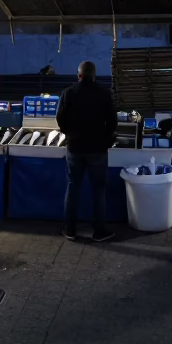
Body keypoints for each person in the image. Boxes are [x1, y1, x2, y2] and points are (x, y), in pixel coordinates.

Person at [55, 61, 117, 242]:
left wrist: (70, 135)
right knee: (98, 190)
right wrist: (105, 140)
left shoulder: (68, 93)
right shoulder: (104, 94)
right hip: (97, 149)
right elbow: (112, 122)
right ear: (94, 75)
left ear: (78, 75)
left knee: (73, 187)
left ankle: (70, 230)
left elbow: (60, 119)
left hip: (74, 148)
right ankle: (99, 231)